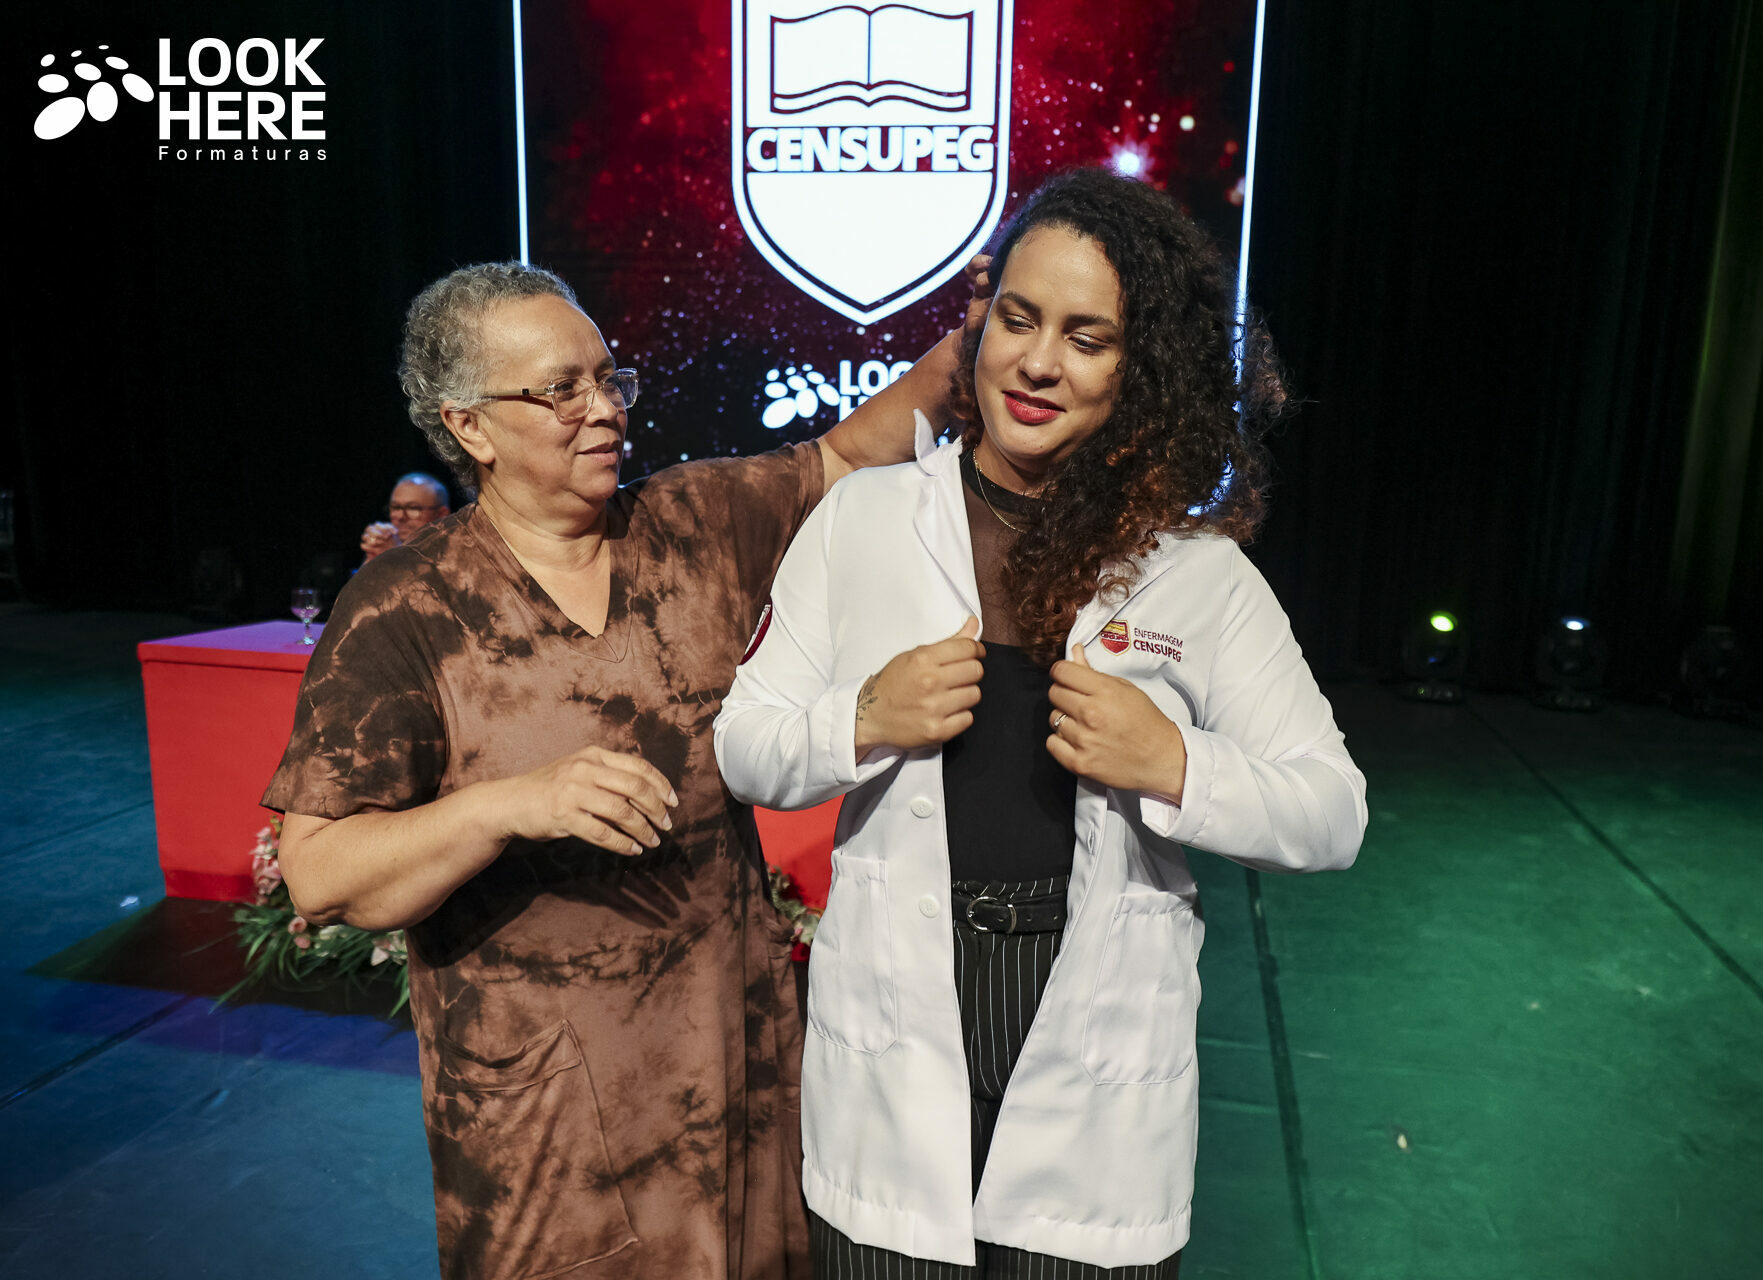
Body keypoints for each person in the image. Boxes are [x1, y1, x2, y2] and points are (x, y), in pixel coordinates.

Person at [264, 258, 982, 1280]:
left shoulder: (691, 524)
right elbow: (322, 872)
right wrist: (508, 805)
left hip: (739, 1084)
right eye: (561, 389)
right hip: (552, 1131)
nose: (604, 409)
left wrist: (981, 337)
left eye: (610, 379)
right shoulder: (405, 609)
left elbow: (851, 451)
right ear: (469, 426)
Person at [714, 168, 1367, 1277]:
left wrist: (1175, 761)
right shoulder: (866, 519)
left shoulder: (1194, 571)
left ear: (1142, 366)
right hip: (896, 1040)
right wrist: (862, 716)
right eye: (1018, 319)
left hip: (1095, 1067)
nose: (1038, 361)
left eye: (1087, 337)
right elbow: (746, 744)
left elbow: (1332, 812)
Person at [360, 471, 452, 563]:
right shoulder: (386, 544)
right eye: (396, 507)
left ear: (441, 514)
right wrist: (371, 559)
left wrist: (395, 554)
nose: (401, 517)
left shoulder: (455, 552)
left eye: (413, 508)